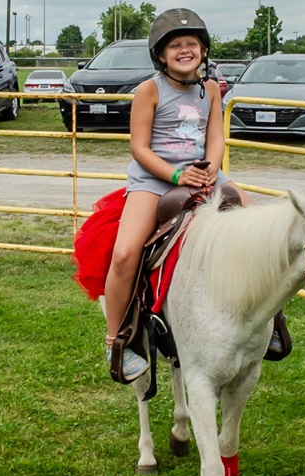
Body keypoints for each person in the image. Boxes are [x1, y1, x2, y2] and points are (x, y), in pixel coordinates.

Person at [101, 8, 246, 380]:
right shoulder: (149, 90)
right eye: (175, 46)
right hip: (156, 179)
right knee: (125, 251)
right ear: (161, 55)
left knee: (253, 223)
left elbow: (216, 136)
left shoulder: (211, 89)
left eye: (192, 44)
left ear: (204, 50)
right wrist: (176, 174)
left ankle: (270, 321)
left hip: (201, 172)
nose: (185, 50)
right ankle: (116, 339)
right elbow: (140, 148)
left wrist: (212, 167)